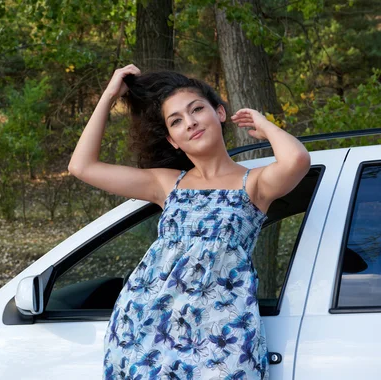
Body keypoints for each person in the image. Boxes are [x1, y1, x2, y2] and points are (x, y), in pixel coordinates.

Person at [68, 64, 310, 379]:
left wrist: (265, 126)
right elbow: (81, 166)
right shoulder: (168, 184)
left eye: (197, 109)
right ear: (172, 140)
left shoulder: (254, 183)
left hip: (221, 336)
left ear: (220, 113)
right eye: (177, 121)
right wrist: (110, 94)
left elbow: (297, 160)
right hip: (147, 330)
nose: (191, 122)